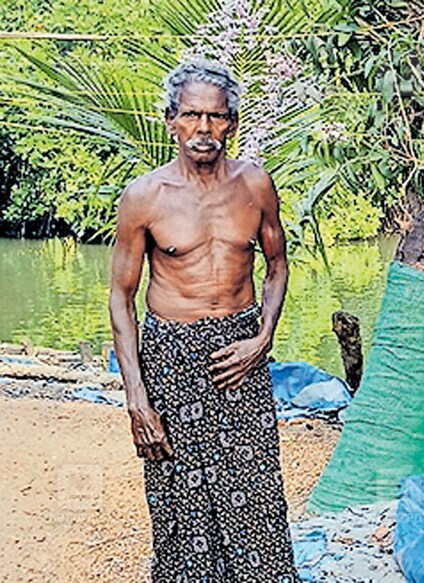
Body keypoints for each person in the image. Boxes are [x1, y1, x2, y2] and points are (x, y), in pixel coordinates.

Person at [108, 60, 295, 581]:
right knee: (179, 501)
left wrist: (262, 337)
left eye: (216, 117)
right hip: (171, 356)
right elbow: (121, 299)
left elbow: (277, 266)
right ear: (171, 120)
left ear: (232, 123)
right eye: (192, 115)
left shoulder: (255, 185)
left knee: (255, 496)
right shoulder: (144, 197)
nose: (204, 130)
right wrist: (137, 400)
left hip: (241, 352)